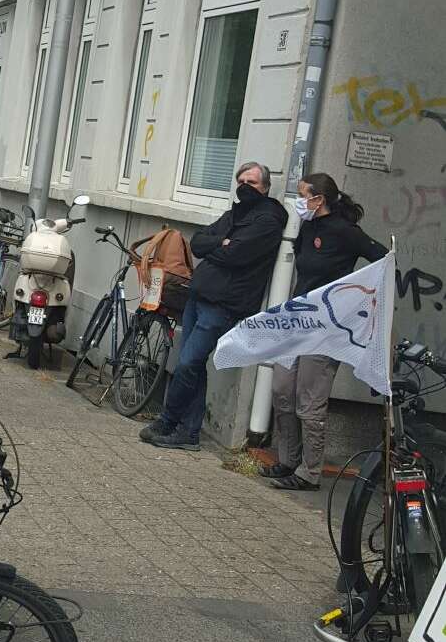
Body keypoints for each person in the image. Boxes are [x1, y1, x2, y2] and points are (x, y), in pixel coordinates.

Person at [140, 161, 286, 451]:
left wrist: (220, 247)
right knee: (193, 366)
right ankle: (189, 431)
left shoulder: (267, 220)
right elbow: (198, 243)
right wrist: (223, 241)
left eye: (252, 182)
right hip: (199, 296)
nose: (245, 186)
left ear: (266, 187)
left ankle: (170, 422)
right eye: (241, 181)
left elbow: (237, 255)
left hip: (223, 303)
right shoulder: (234, 214)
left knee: (188, 363)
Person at [262, 172, 387, 490]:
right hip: (298, 320)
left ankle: (309, 472)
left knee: (309, 400)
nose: (300, 201)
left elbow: (383, 259)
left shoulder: (346, 232)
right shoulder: (309, 226)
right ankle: (287, 460)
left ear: (319, 200)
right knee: (281, 389)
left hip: (326, 327)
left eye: (304, 195)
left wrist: (356, 299)